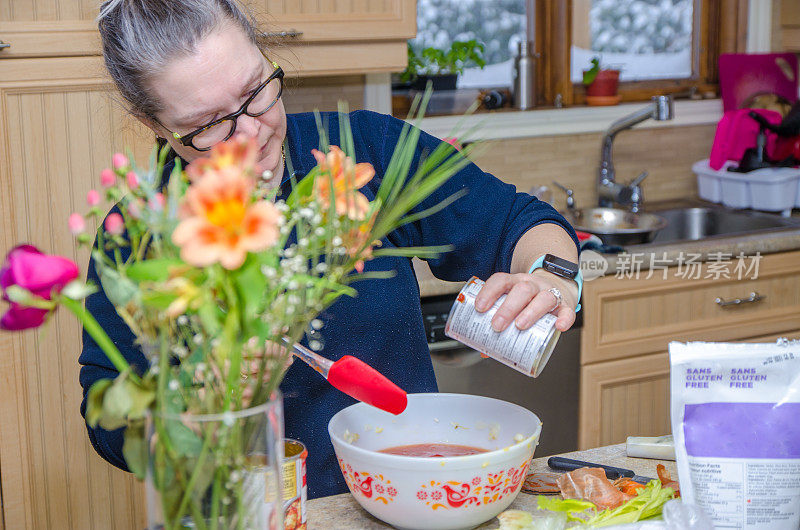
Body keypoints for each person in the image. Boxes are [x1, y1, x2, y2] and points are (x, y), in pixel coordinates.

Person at [80, 0, 581, 499]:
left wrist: (550, 276)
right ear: (156, 125)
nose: (252, 133)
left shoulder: (362, 150)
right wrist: (202, 401)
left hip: (409, 496)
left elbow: (522, 222)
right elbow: (108, 421)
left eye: (256, 90)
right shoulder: (138, 232)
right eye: (210, 124)